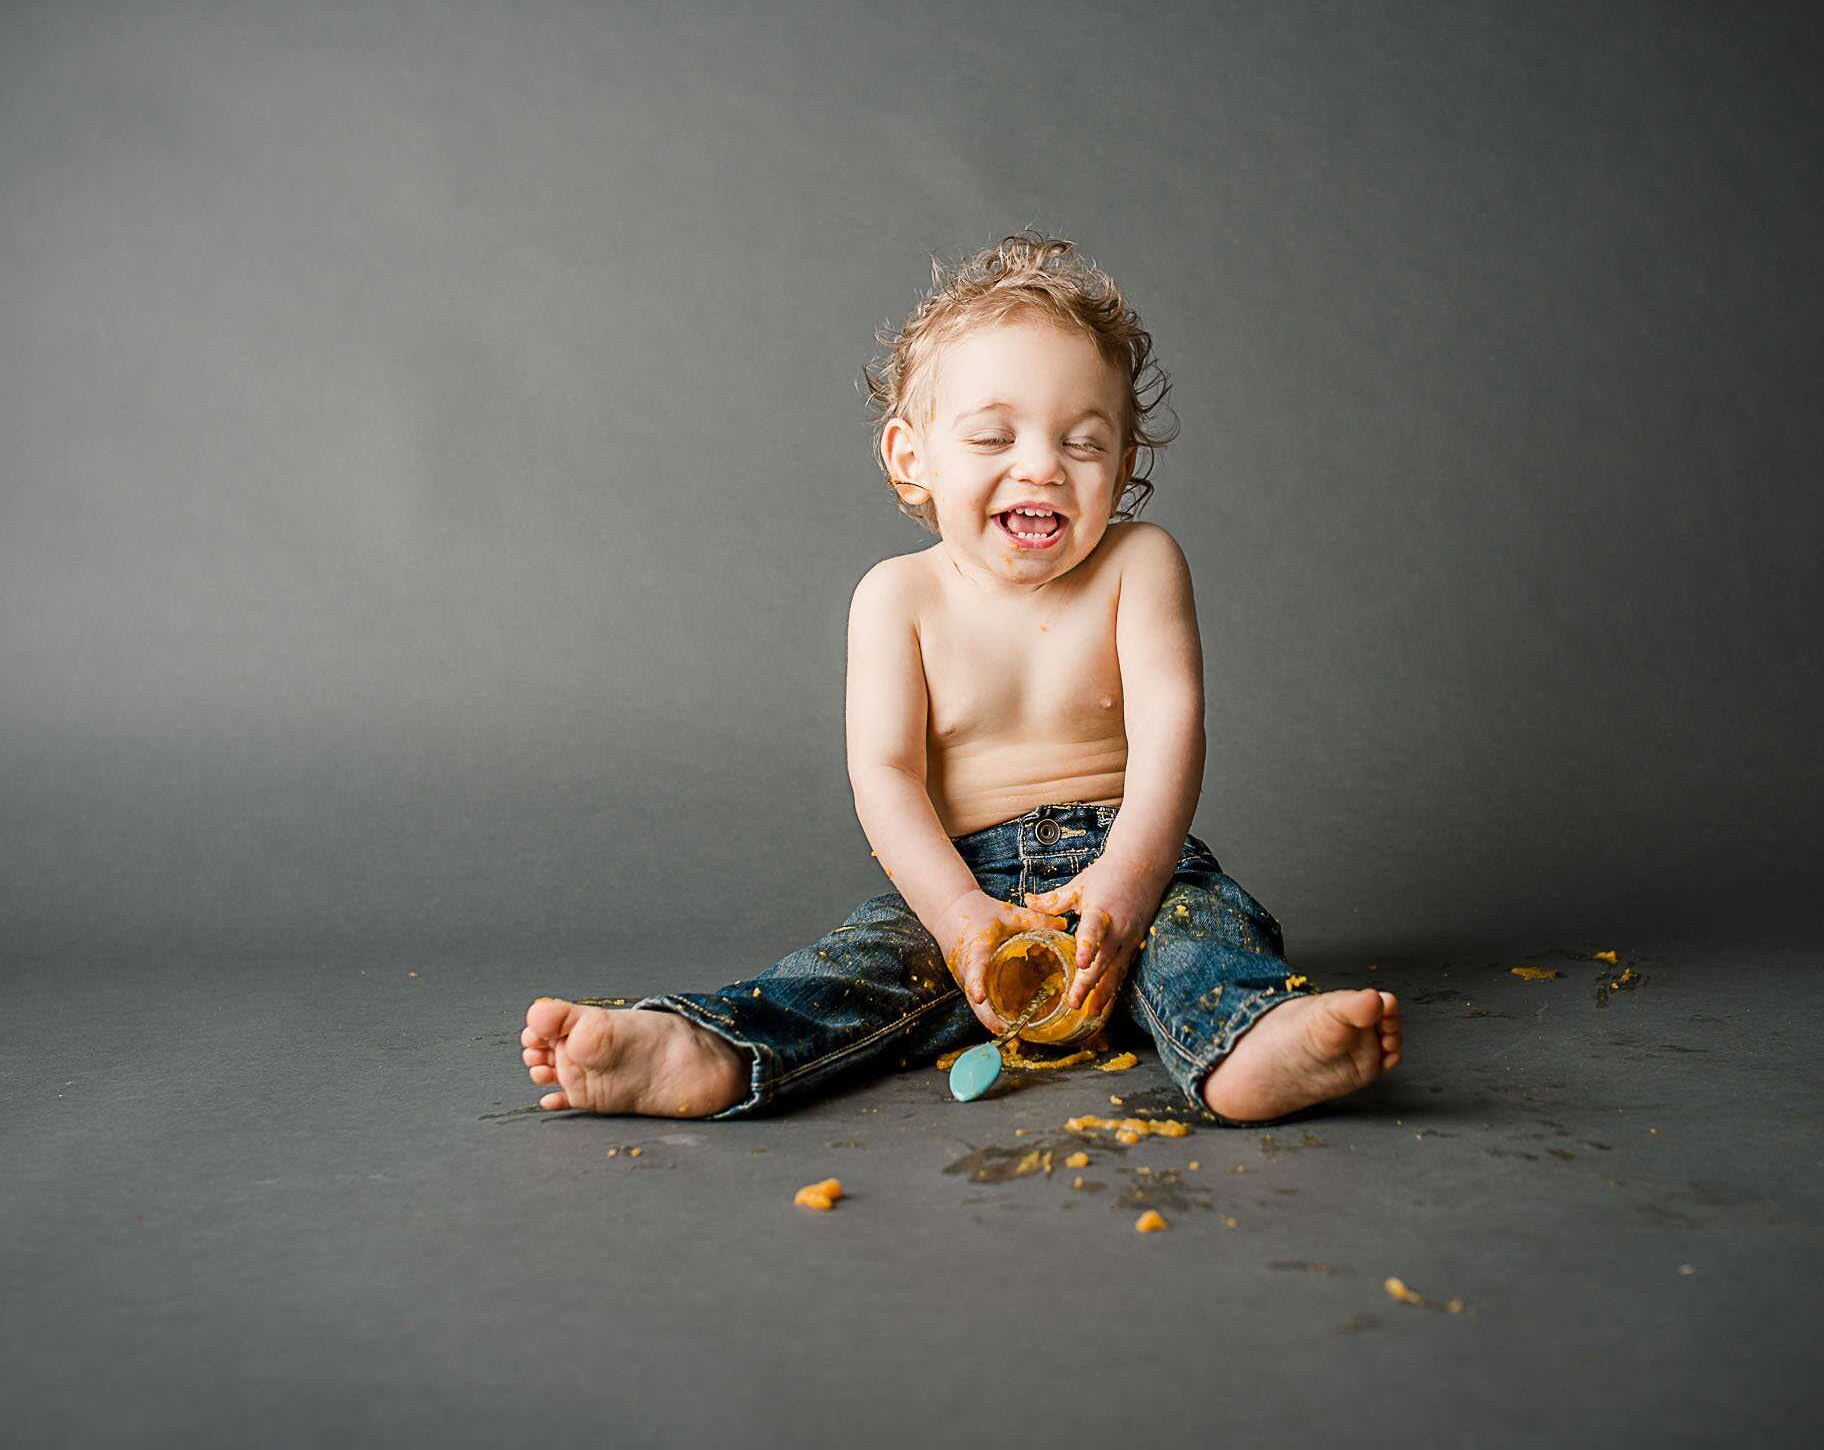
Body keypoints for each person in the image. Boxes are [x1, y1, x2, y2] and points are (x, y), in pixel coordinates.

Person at [518, 231, 1400, 1123]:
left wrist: (1129, 886)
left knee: (1199, 939)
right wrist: (956, 916)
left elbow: (1175, 727)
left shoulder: (1142, 563)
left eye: (1083, 443)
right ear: (913, 458)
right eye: (993, 435)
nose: (1042, 464)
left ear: (1125, 464)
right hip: (963, 876)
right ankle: (706, 1045)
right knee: (861, 969)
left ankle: (1250, 1042)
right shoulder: (897, 596)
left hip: (1133, 858)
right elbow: (886, 775)